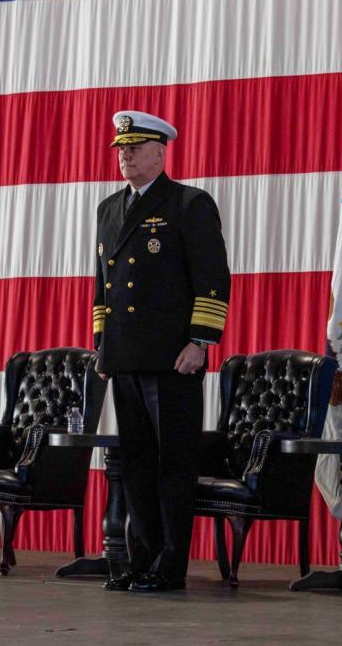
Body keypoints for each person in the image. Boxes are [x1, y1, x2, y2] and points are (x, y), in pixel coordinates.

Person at [95, 111, 231, 593]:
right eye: (121, 149)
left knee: (173, 464)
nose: (126, 155)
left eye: (135, 147)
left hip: (173, 357)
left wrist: (200, 342)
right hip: (127, 355)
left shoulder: (189, 203)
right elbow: (103, 287)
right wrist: (102, 345)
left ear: (160, 151)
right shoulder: (109, 208)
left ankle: (171, 563)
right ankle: (141, 558)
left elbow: (213, 280)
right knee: (135, 464)